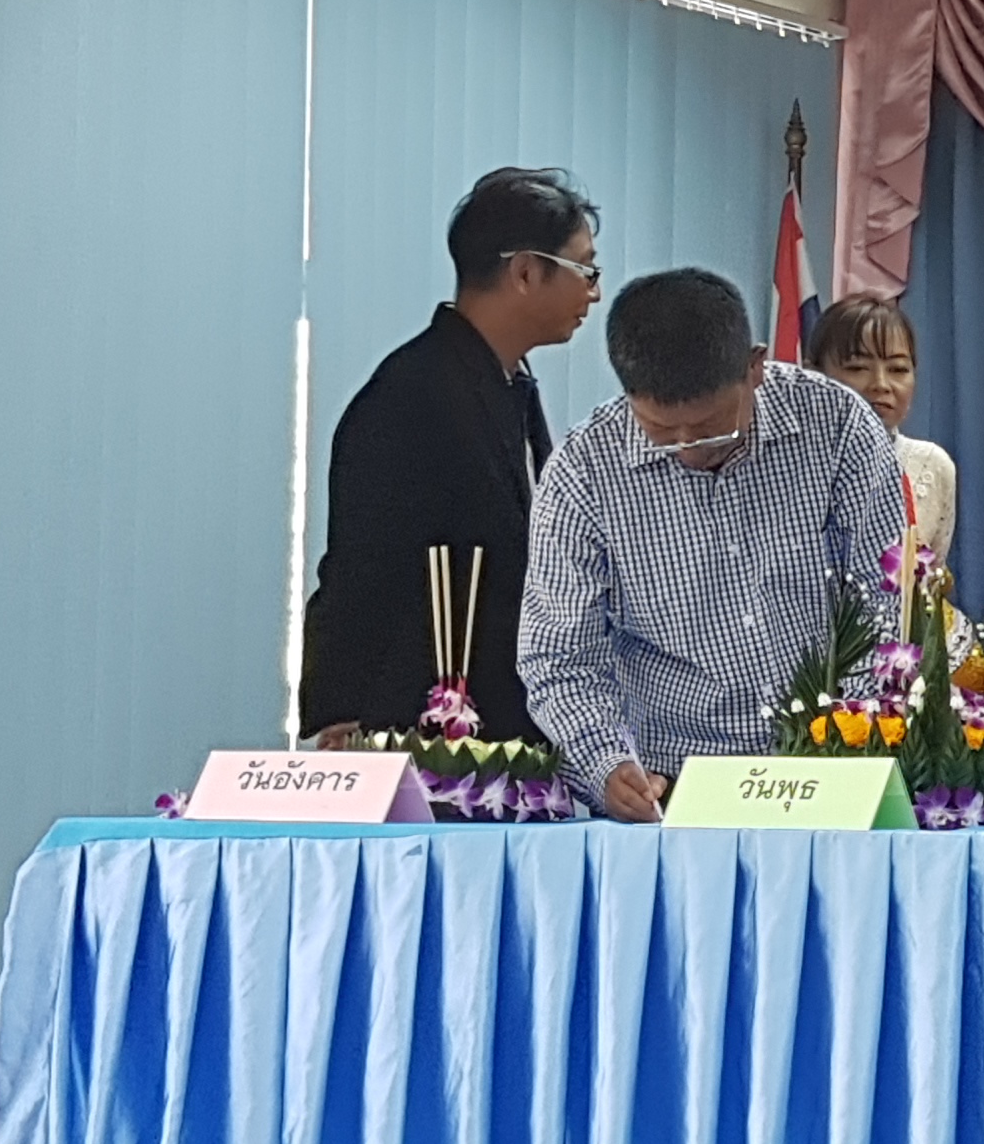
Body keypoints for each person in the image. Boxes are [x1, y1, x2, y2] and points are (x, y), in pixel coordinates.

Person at [518, 268, 908, 824]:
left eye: (710, 428)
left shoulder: (839, 428)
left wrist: (843, 741)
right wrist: (606, 765)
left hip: (831, 773)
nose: (687, 449)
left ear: (755, 368)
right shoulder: (584, 472)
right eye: (660, 431)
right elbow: (559, 657)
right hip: (674, 788)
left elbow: (886, 603)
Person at [297, 166, 599, 744]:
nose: (594, 292)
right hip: (420, 727)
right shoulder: (410, 395)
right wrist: (341, 712)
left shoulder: (509, 385)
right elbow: (361, 565)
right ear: (526, 272)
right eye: (585, 270)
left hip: (505, 717)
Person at [808, 294, 955, 606]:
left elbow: (929, 586)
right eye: (858, 367)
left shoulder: (933, 464)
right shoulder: (787, 464)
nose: (881, 384)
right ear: (813, 376)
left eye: (898, 369)